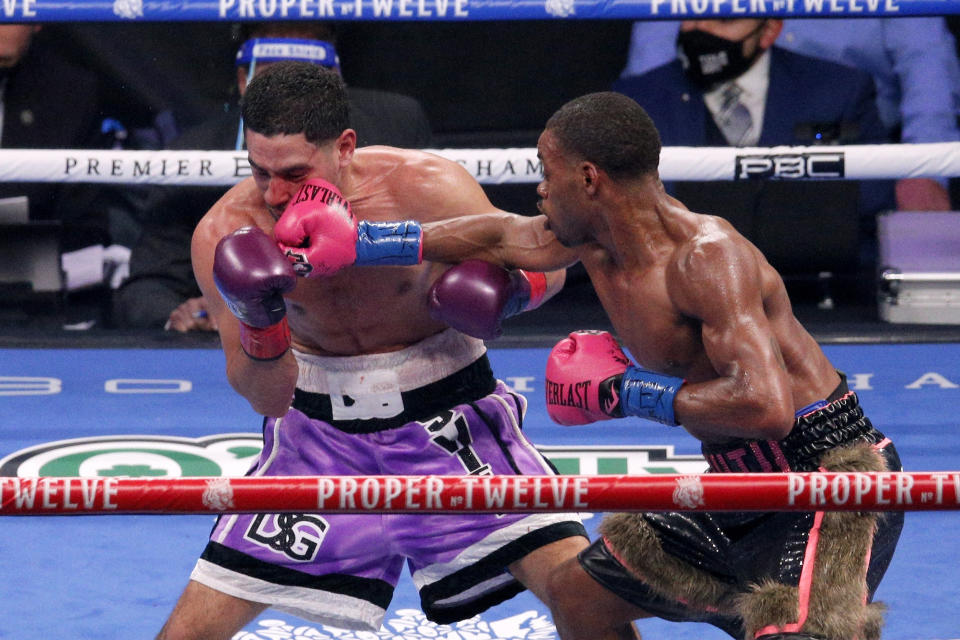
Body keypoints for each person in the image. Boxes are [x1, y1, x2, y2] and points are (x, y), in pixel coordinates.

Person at [287, 91, 904, 639]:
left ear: (588, 179)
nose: (538, 189)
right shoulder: (586, 239)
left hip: (824, 477)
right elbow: (497, 236)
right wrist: (363, 243)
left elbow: (766, 408)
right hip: (733, 481)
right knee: (580, 597)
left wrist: (624, 392)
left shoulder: (706, 260)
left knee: (797, 633)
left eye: (544, 172)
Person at [154, 61, 602, 640]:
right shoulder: (226, 233)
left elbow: (544, 256)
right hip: (314, 438)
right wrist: (261, 323)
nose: (274, 193)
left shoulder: (426, 187)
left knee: (583, 599)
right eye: (258, 171)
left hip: (453, 424)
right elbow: (265, 395)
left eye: (293, 172)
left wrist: (509, 293)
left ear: (344, 147)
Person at [113, 21, 434, 331]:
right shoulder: (194, 154)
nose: (287, 92)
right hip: (251, 352)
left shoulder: (394, 128)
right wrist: (186, 312)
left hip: (381, 330)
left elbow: (454, 235)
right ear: (243, 81)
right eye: (273, 76)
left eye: (306, 77)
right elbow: (146, 289)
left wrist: (369, 247)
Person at [612, 18, 894, 303]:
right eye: (694, 14)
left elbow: (872, 201)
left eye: (724, 20)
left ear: (769, 30)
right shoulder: (637, 99)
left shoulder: (838, 90)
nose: (702, 29)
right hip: (680, 300)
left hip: (817, 299)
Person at [620, 17, 960, 210]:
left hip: (845, 131)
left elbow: (928, 70)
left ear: (770, 30)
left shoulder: (844, 87)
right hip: (706, 120)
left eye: (725, 16)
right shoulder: (692, 44)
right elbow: (651, 92)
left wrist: (925, 168)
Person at [0, 24, 113, 251]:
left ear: (36, 20)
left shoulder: (70, 93)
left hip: (26, 266)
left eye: (9, 6)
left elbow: (86, 223)